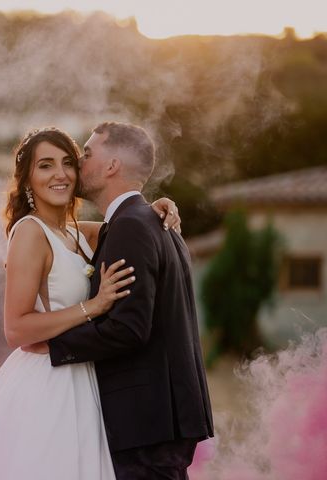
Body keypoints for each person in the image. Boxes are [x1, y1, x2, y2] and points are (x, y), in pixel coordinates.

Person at [0, 126, 181, 479]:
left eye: (68, 162)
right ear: (28, 179)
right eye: (45, 166)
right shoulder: (30, 232)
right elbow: (16, 329)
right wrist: (91, 308)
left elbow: (124, 222)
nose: (60, 174)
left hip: (87, 378)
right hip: (48, 379)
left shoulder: (77, 233)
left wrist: (154, 207)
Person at [33, 122, 215, 479]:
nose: (77, 164)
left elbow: (129, 329)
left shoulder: (133, 226)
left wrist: (54, 344)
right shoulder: (152, 222)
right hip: (163, 417)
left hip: (144, 420)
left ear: (112, 166)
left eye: (86, 155)